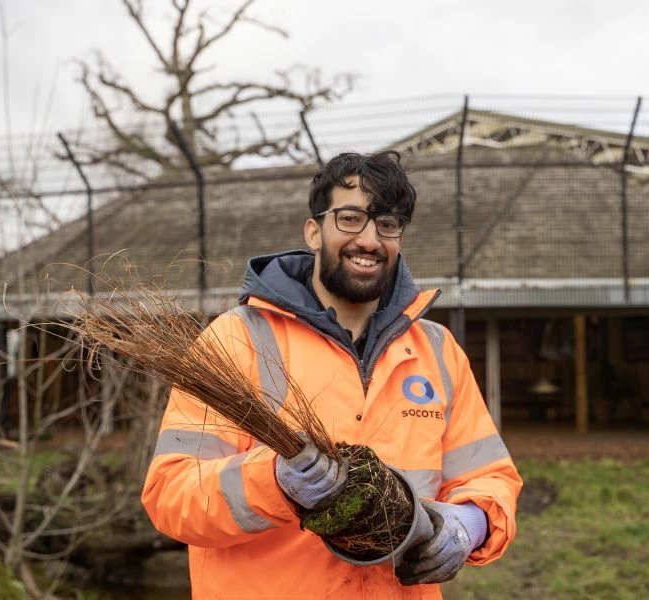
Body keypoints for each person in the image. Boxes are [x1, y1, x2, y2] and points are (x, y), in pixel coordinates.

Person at [142, 151, 522, 599]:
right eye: (350, 219)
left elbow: (489, 475)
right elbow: (172, 496)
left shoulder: (436, 350)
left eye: (388, 224)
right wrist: (274, 482)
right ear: (313, 231)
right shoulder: (235, 341)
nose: (369, 239)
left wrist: (471, 521)